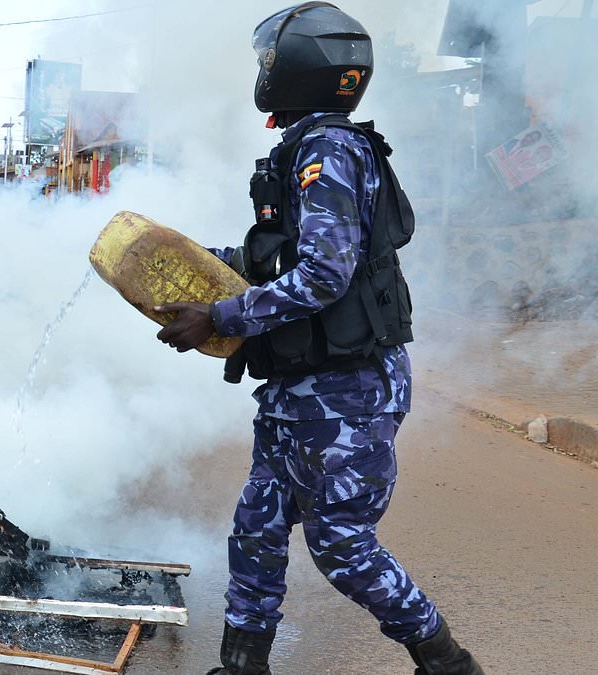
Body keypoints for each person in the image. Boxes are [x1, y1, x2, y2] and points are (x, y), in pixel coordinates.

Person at [154, 4, 483, 674]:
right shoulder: (306, 147)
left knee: (341, 543)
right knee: (257, 531)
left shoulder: (328, 151)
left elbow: (324, 275)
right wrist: (188, 264)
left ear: (304, 71)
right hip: (300, 392)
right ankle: (243, 665)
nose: (264, 75)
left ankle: (446, 660)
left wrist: (221, 316)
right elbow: (279, 258)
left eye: (271, 63)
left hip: (346, 391)